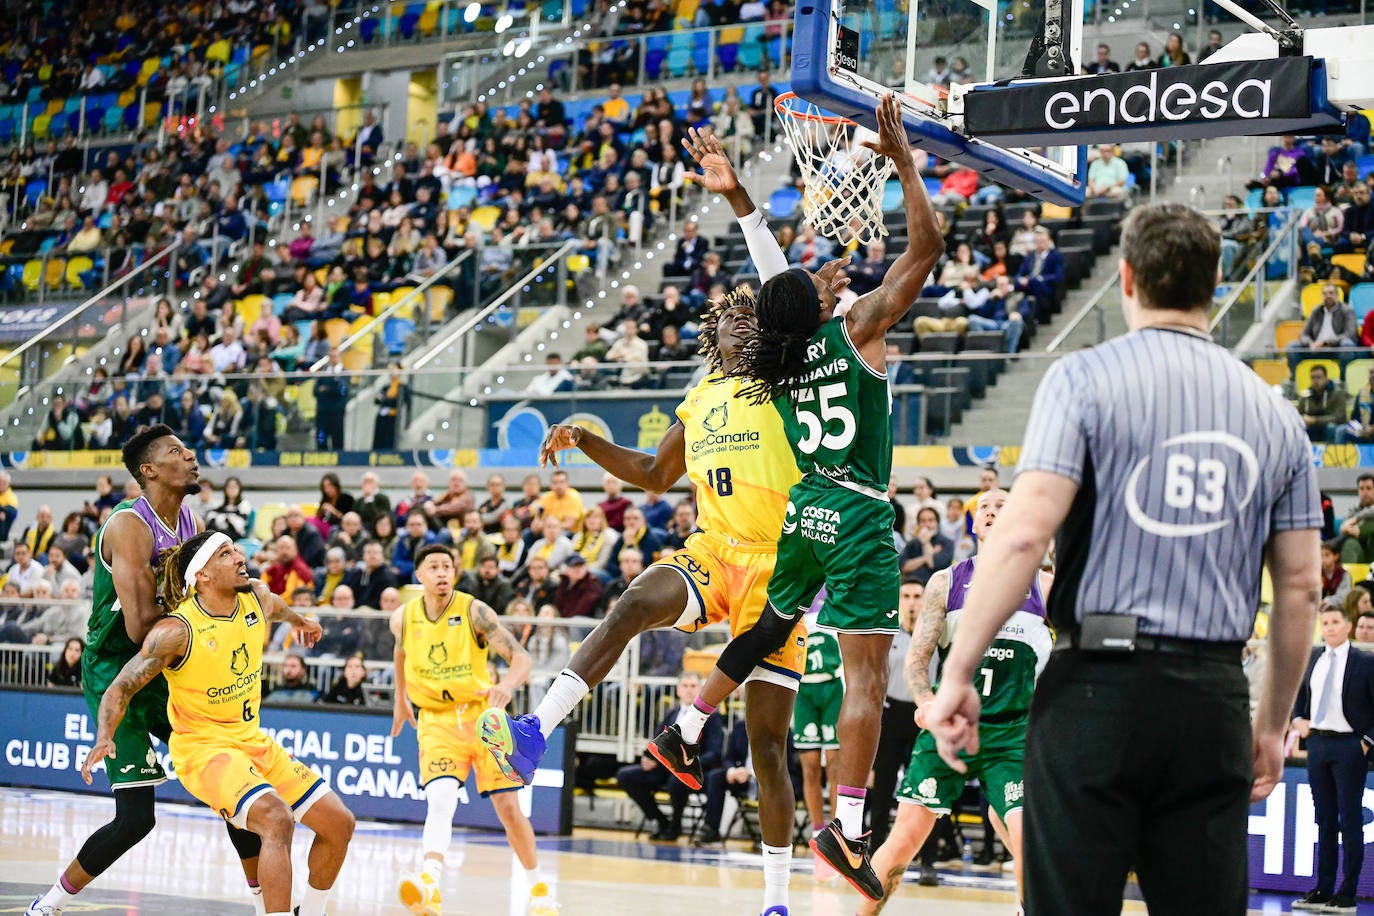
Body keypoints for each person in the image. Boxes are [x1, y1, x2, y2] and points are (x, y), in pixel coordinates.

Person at [925, 204, 1322, 915]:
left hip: (1095, 693)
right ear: (1218, 281)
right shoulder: (1277, 416)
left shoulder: (1082, 380)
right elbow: (1301, 588)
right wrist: (1269, 724)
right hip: (1212, 695)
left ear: (1127, 278)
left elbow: (1020, 537)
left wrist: (958, 671)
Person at [479, 124, 824, 916]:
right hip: (712, 552)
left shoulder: (788, 379)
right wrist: (586, 437)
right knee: (633, 602)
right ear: (715, 337)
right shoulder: (701, 398)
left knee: (768, 747)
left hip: (783, 567)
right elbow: (651, 473)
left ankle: (775, 898)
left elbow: (778, 285)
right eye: (732, 318)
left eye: (751, 316)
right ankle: (535, 731)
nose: (742, 323)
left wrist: (738, 198)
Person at [647, 96, 942, 900]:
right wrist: (904, 162)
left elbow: (774, 280)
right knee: (867, 683)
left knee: (773, 623)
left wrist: (746, 205)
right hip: (851, 513)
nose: (823, 275)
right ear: (820, 306)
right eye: (817, 281)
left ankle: (688, 723)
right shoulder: (858, 330)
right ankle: (846, 830)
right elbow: (928, 246)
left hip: (803, 511)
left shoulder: (774, 357)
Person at [26, 426, 267, 916]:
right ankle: (47, 905)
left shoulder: (189, 520)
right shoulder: (127, 527)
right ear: (150, 471)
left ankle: (265, 898)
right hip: (118, 666)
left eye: (188, 447)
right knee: (136, 819)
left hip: (166, 660)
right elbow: (139, 629)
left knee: (232, 775)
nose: (192, 455)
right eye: (178, 451)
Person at [79, 531, 356, 916]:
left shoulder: (254, 597)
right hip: (204, 750)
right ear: (203, 576)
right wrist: (104, 736)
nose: (240, 557)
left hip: (252, 741)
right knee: (276, 820)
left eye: (236, 550)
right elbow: (122, 686)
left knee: (339, 823)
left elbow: (276, 606)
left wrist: (301, 620)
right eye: (226, 554)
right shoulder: (176, 631)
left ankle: (310, 912)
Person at [860, 489, 1052, 914]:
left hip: (1013, 734)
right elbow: (918, 656)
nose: (993, 511)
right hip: (950, 728)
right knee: (903, 840)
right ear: (973, 523)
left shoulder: (1044, 584)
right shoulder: (945, 581)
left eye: (1004, 505)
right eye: (985, 506)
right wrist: (925, 699)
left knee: (1025, 838)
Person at [390, 545, 556, 916]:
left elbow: (522, 658)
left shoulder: (474, 611)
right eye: (433, 567)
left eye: (447, 566)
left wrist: (508, 686)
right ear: (419, 575)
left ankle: (539, 892)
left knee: (509, 808)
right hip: (435, 719)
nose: (442, 573)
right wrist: (400, 699)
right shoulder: (402, 618)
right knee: (441, 799)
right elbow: (400, 653)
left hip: (484, 718)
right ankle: (429, 885)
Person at [1290, 607, 1374, 914]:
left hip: (1349, 745)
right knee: (1323, 820)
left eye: (1335, 622)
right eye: (1324, 623)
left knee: (1349, 819)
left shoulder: (1365, 661)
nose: (1329, 628)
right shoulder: (1313, 657)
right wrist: (1297, 717)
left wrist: (1366, 742)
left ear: (1348, 625)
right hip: (1318, 744)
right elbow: (1298, 694)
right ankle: (1322, 888)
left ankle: (1348, 892)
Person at [614, 670, 725, 841]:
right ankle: (660, 821)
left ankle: (676, 825)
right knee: (626, 775)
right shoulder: (671, 714)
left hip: (694, 772)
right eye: (685, 686)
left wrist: (688, 763)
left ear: (701, 690)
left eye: (693, 686)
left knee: (677, 780)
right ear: (678, 690)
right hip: (666, 769)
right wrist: (649, 759)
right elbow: (656, 744)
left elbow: (715, 753)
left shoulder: (712, 717)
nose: (689, 690)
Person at [867, 577, 924, 851]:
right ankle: (876, 848)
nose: (912, 602)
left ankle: (927, 856)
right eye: (907, 596)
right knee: (883, 786)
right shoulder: (888, 633)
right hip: (890, 714)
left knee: (924, 785)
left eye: (917, 596)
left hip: (922, 715)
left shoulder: (934, 634)